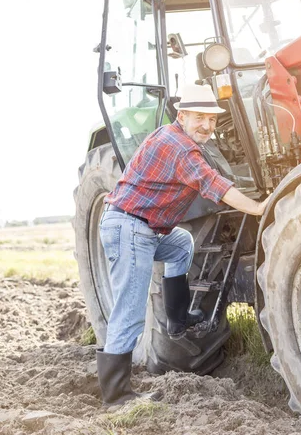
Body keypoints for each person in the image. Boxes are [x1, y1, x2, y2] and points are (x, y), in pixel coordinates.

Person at [96, 83, 268, 406]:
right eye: (199, 117)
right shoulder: (181, 149)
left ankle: (177, 319)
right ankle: (116, 397)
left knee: (181, 243)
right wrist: (258, 208)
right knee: (130, 312)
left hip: (143, 227)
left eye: (212, 119)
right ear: (183, 115)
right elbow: (213, 184)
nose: (207, 125)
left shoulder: (173, 136)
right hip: (130, 229)